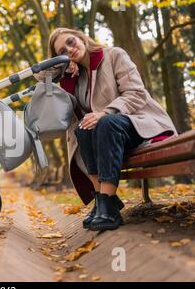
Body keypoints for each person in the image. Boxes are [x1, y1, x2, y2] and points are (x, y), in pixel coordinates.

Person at [35, 27, 177, 231]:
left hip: (137, 123)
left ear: (81, 38)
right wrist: (62, 68)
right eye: (62, 52)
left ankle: (108, 204)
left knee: (104, 122)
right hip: (106, 137)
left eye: (71, 42)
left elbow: (136, 94)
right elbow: (40, 76)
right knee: (83, 128)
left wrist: (106, 112)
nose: (69, 50)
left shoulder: (114, 55)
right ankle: (103, 201)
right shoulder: (75, 76)